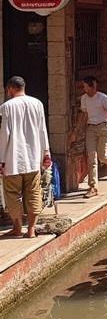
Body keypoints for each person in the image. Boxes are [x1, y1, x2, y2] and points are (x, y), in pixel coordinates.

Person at [0, 76, 52, 238]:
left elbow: (4, 135)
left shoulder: (6, 107)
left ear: (10, 88)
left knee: (12, 194)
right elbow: (42, 130)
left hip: (12, 159)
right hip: (33, 158)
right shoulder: (37, 104)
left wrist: (1, 160)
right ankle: (31, 229)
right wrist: (46, 153)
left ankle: (17, 227)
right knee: (33, 193)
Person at [69, 77, 107, 197]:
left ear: (92, 87)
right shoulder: (84, 99)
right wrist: (76, 131)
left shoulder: (103, 98)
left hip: (103, 127)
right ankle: (93, 187)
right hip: (91, 128)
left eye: (86, 86)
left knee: (102, 156)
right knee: (91, 156)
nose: (84, 88)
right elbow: (84, 116)